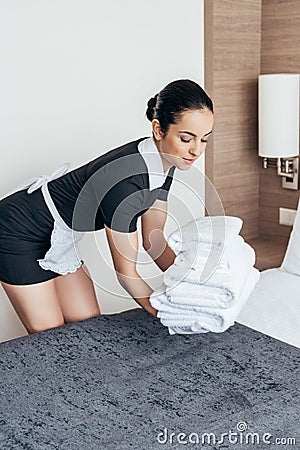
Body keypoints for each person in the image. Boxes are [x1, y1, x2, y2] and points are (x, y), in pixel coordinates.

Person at [0, 79, 214, 335]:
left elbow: (153, 240)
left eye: (204, 140)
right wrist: (170, 315)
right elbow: (126, 273)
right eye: (187, 138)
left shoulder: (167, 162)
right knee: (52, 337)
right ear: (158, 130)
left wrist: (191, 286)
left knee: (89, 326)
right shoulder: (126, 183)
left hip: (60, 235)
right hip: (17, 230)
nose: (196, 150)